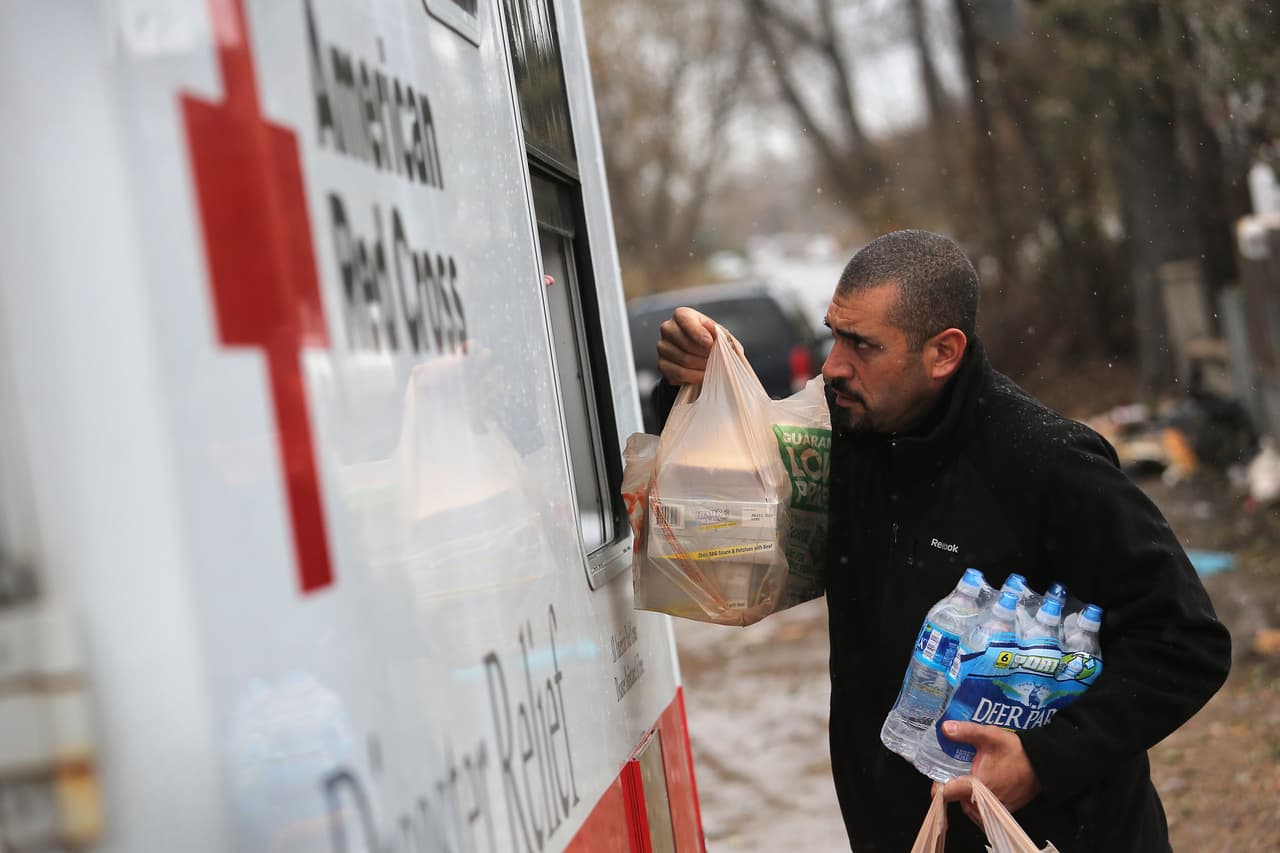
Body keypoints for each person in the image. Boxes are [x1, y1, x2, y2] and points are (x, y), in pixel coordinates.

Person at [652, 229, 1231, 851]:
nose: (832, 366)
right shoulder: (847, 429)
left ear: (943, 353)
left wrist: (1044, 759)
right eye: (834, 334)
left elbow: (1185, 642)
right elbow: (732, 499)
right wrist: (692, 385)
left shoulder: (1049, 463)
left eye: (863, 345)